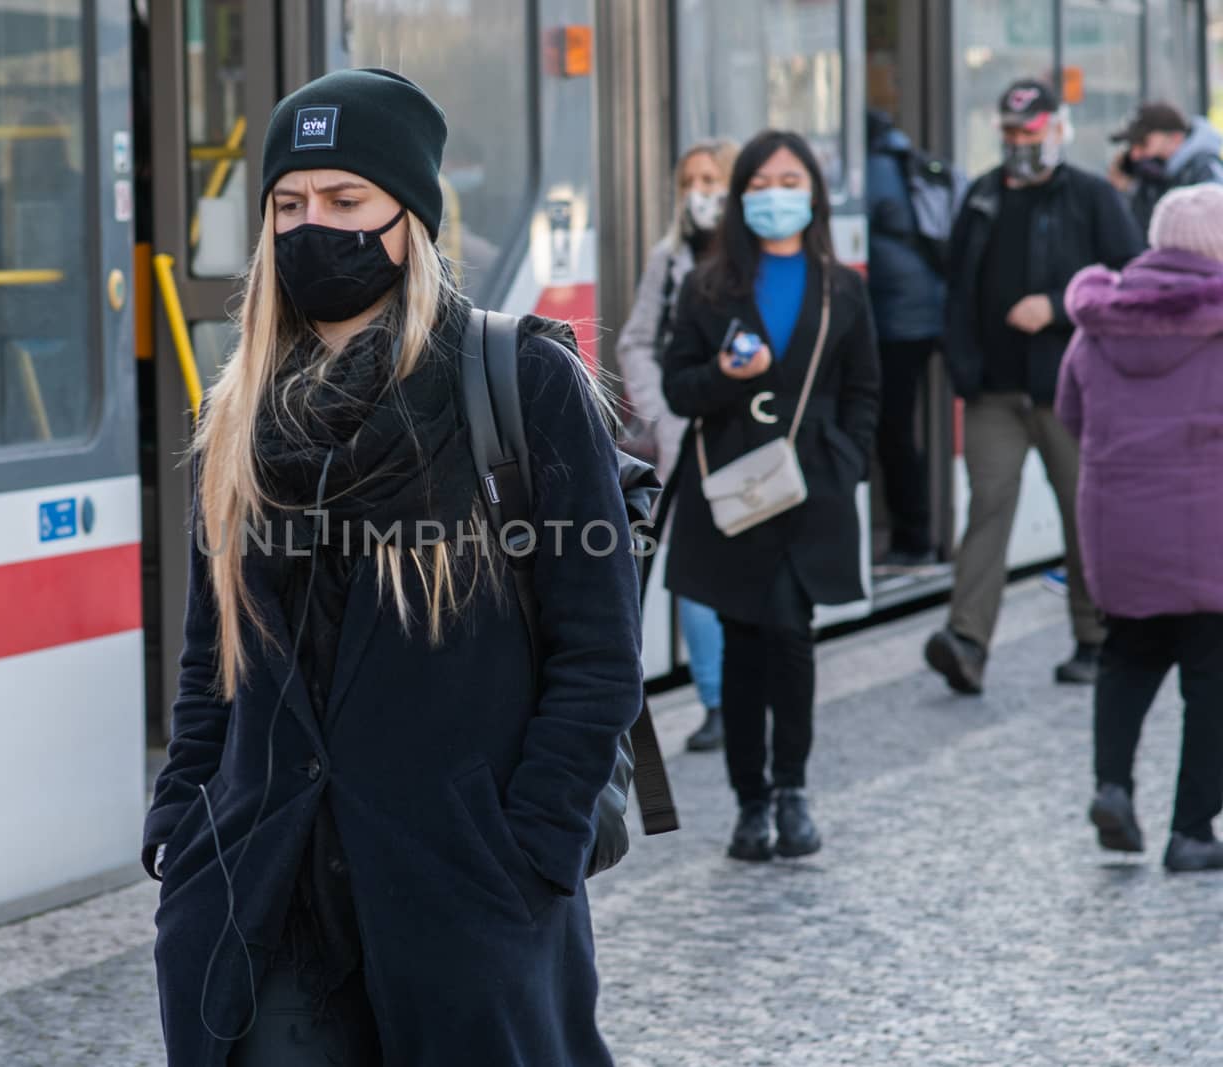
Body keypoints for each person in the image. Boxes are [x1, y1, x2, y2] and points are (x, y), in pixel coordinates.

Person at [141, 68, 644, 1066]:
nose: (310, 225)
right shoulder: (241, 409)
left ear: (407, 217)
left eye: (343, 200)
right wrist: (184, 816)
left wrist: (533, 846)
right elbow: (213, 657)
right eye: (287, 204)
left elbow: (598, 654)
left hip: (460, 887)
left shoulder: (524, 383)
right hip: (266, 887)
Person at [662, 130, 880, 862]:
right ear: (738, 196)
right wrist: (725, 373)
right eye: (758, 183)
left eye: (789, 180)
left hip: (811, 488)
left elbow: (865, 388)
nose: (774, 195)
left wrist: (846, 461)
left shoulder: (842, 286)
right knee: (744, 641)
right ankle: (750, 803)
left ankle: (790, 789)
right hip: (733, 491)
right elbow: (677, 386)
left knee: (789, 630)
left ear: (813, 191)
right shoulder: (707, 285)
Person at [924, 79, 1143, 695]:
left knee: (1083, 509)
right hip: (994, 392)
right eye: (1012, 132)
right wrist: (963, 367)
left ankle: (1096, 637)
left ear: (1057, 127)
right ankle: (967, 641)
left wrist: (1056, 306)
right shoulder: (983, 197)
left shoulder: (1092, 197)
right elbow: (958, 290)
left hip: (1071, 390)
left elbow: (1129, 284)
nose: (1022, 142)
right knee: (988, 505)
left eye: (1032, 130)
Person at [1059, 184, 1223, 873]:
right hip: (1211, 533)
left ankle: (1113, 785)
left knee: (1126, 656)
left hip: (1119, 525)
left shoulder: (1099, 320)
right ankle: (1191, 831)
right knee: (1211, 678)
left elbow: (1071, 412)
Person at [616, 139, 738, 752]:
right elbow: (636, 341)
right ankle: (717, 702)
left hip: (747, 440)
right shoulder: (669, 259)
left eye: (712, 178)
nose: (700, 191)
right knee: (691, 573)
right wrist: (662, 415)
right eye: (690, 180)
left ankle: (753, 694)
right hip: (683, 440)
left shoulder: (758, 258)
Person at [866, 109, 948, 569]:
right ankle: (913, 532)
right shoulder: (902, 159)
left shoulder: (873, 170)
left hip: (897, 321)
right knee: (899, 427)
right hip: (921, 315)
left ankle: (913, 537)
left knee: (893, 430)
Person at [1109, 102, 1223, 235]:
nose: (1135, 155)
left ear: (1175, 138)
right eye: (1131, 145)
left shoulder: (1203, 170)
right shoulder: (1147, 176)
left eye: (1143, 143)